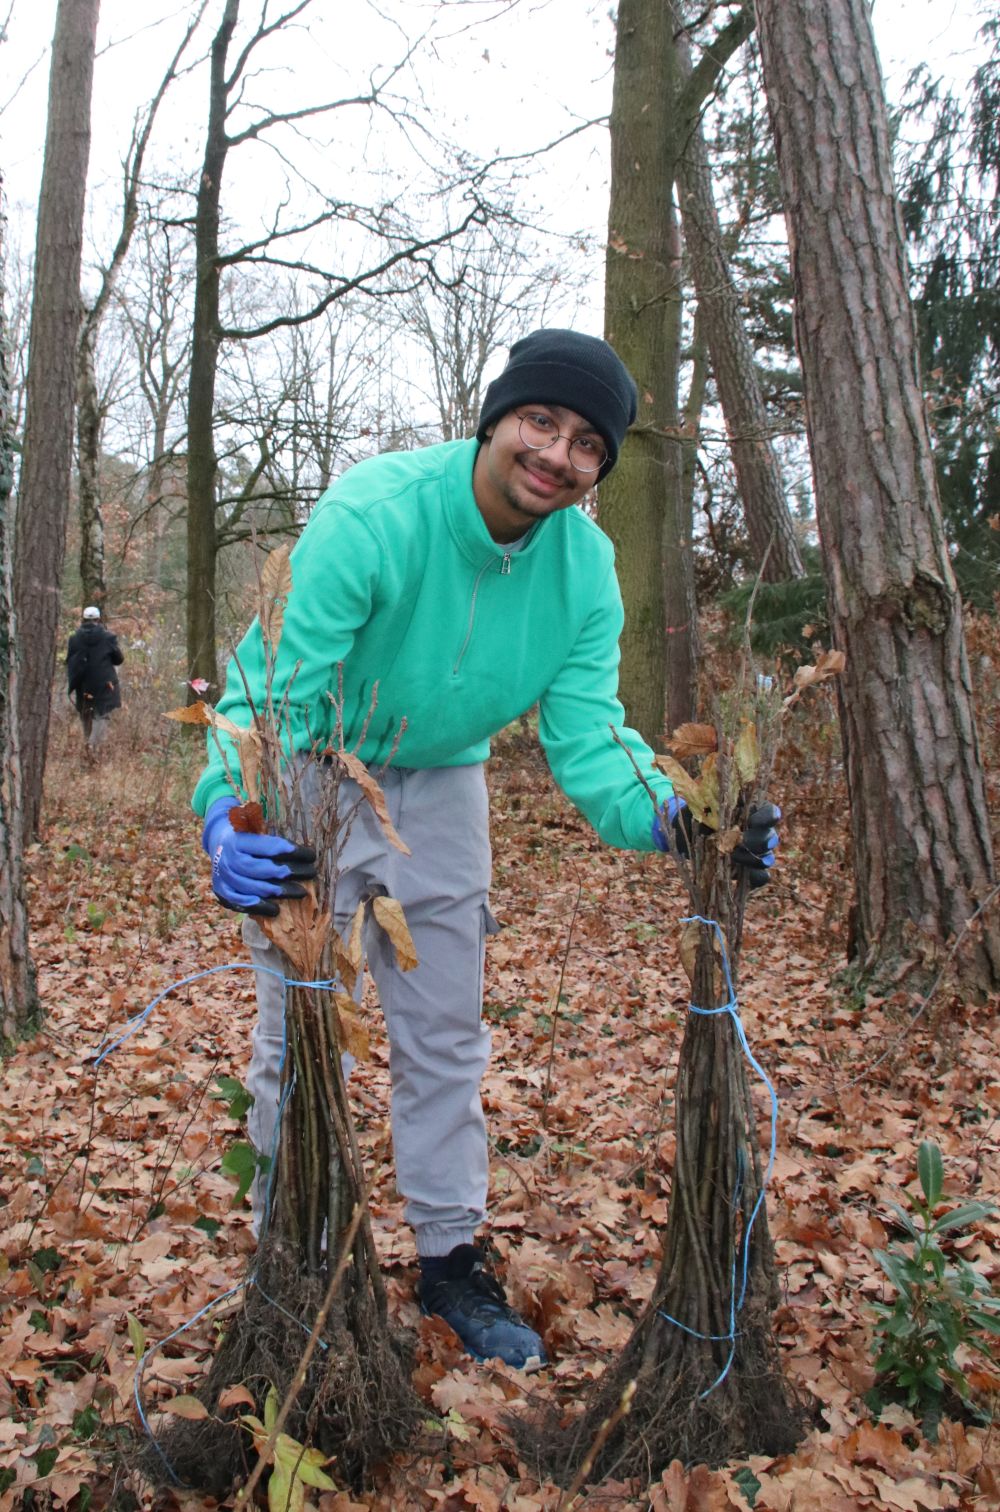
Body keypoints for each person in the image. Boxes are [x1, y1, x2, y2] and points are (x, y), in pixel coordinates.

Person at [193, 328, 779, 1370]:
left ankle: (450, 1260)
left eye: (587, 444)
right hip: (313, 767)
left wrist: (677, 814)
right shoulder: (375, 516)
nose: (556, 455)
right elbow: (271, 694)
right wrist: (227, 814)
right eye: (539, 422)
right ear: (496, 418)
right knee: (300, 1031)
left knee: (446, 1036)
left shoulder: (584, 573)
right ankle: (297, 1246)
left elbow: (592, 736)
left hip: (445, 783)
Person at [66, 606, 124, 760]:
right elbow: (119, 659)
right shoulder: (108, 637)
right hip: (104, 684)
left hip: (83, 683)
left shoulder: (74, 638)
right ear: (98, 619)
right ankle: (93, 747)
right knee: (101, 715)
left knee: (86, 714)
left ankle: (88, 745)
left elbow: (70, 661)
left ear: (83, 619)